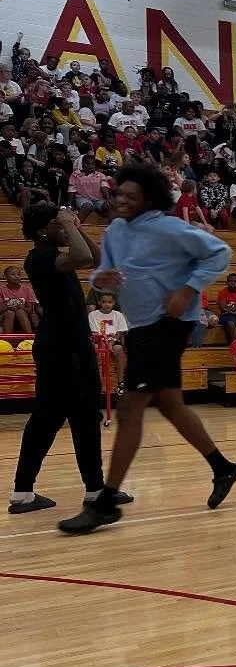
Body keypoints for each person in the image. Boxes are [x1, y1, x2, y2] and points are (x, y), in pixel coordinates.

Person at [57, 165, 236, 534]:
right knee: (171, 403)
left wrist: (189, 289)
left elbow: (220, 253)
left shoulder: (169, 227)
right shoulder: (115, 231)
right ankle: (223, 468)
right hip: (141, 326)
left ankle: (106, 502)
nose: (121, 200)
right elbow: (103, 271)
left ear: (149, 199)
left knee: (129, 408)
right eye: (119, 194)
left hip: (170, 325)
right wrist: (100, 279)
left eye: (131, 195)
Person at [11, 205, 131, 514]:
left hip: (64, 346)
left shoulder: (51, 255)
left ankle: (25, 492)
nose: (65, 228)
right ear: (42, 231)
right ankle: (92, 491)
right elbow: (82, 259)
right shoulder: (41, 257)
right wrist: (68, 223)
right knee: (78, 417)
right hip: (65, 348)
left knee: (50, 417)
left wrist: (76, 226)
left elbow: (98, 260)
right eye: (58, 224)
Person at [88, 291, 128, 394]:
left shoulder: (118, 315)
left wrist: (111, 343)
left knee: (120, 351)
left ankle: (120, 384)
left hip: (114, 341)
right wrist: (104, 343)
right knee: (95, 352)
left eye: (109, 302)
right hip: (98, 341)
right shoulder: (93, 315)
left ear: (113, 303)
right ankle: (97, 384)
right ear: (99, 302)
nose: (107, 304)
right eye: (104, 302)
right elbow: (94, 332)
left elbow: (119, 332)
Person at [1, 265, 37, 334]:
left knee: (20, 311)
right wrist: (8, 307)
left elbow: (30, 310)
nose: (16, 276)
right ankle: (8, 341)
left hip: (23, 315)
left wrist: (20, 307)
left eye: (18, 274)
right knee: (10, 312)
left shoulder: (27, 289)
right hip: (6, 316)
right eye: (13, 274)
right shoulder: (1, 290)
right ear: (5, 276)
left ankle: (29, 338)